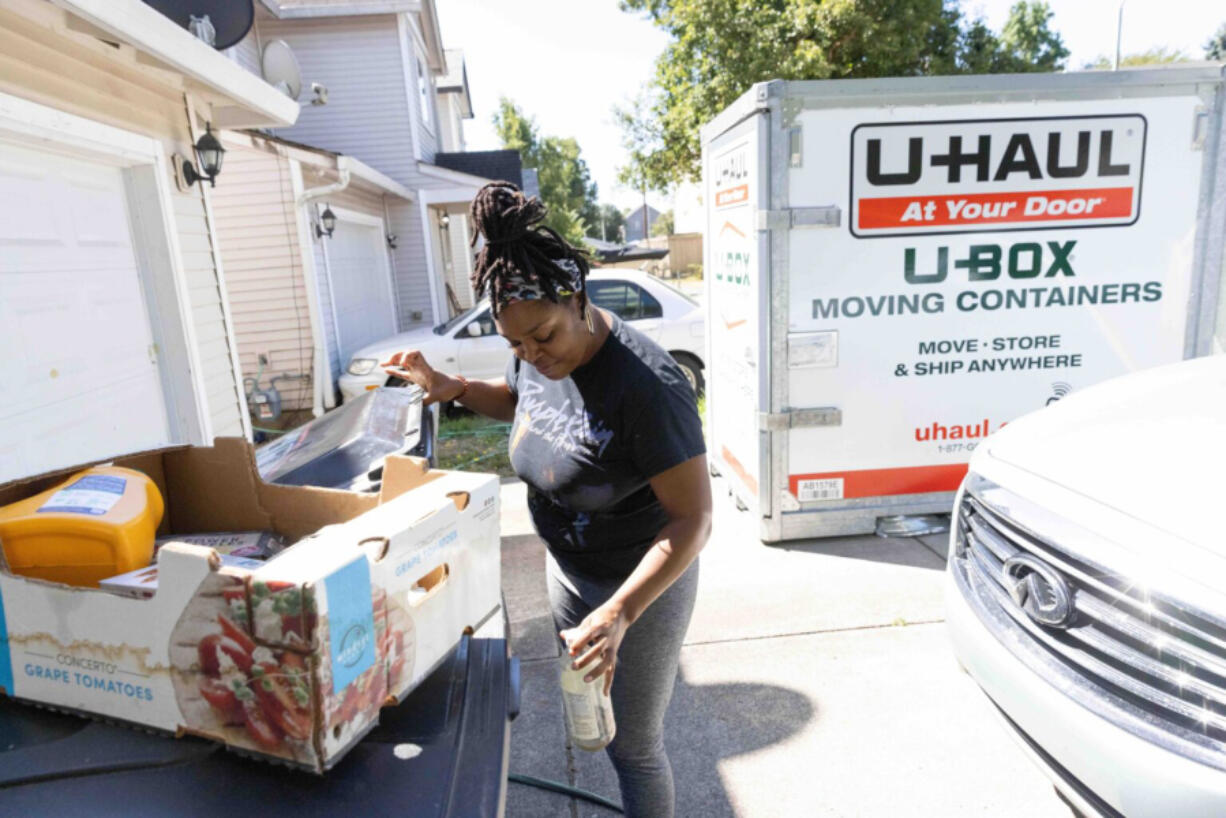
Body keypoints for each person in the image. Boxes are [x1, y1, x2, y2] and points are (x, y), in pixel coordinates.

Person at [383, 181, 711, 818]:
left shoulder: (648, 387)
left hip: (637, 584)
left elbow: (693, 517)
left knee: (635, 747)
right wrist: (452, 386)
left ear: (577, 298)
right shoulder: (534, 346)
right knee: (593, 718)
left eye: (544, 338)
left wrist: (619, 613)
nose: (532, 355)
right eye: (515, 346)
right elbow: (522, 400)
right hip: (567, 567)